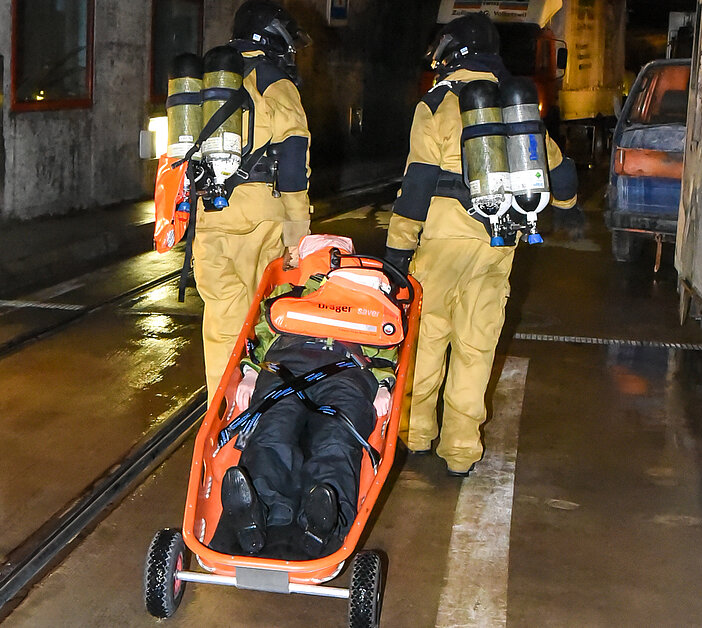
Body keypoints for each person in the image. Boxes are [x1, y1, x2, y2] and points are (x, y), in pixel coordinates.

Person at [383, 14, 578, 476]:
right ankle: (461, 450)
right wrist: (569, 205)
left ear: (451, 51)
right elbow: (563, 182)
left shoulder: (435, 104)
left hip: (442, 243)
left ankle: (415, 433)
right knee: (476, 346)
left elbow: (417, 186)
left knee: (428, 339)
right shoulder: (517, 110)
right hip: (498, 241)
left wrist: (396, 253)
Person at [215, 236, 398, 558]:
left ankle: (321, 525)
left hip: (348, 370)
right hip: (286, 367)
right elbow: (261, 337)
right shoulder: (288, 295)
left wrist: (383, 384)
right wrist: (251, 372)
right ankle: (257, 517)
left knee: (336, 440)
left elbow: (387, 346)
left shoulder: (370, 294)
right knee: (273, 432)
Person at [194, 0, 313, 400]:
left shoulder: (207, 81)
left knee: (222, 325)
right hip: (262, 219)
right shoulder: (276, 82)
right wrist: (299, 234)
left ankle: (221, 419)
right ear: (276, 37)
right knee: (265, 324)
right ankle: (258, 421)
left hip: (210, 213)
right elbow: (294, 159)